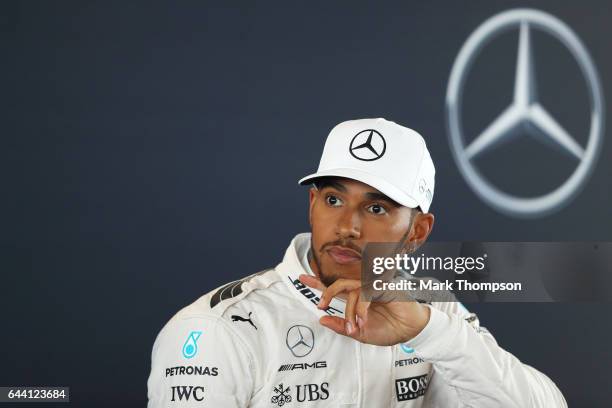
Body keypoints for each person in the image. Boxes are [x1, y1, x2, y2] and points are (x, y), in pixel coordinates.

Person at [147, 118, 567, 407]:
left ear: (418, 232)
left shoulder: (432, 310)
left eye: (377, 209)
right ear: (312, 203)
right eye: (333, 199)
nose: (347, 226)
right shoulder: (217, 330)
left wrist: (428, 331)